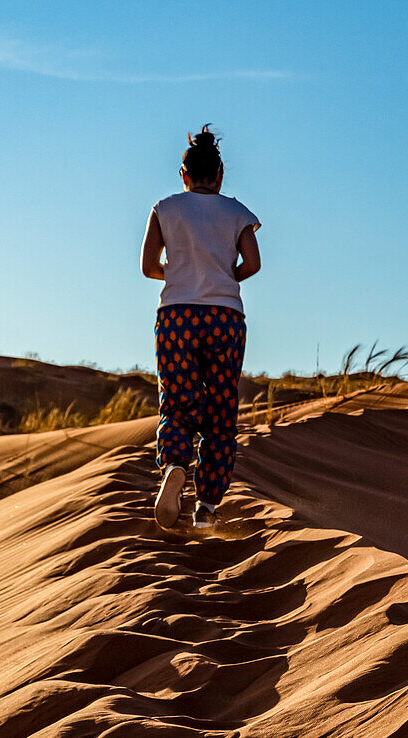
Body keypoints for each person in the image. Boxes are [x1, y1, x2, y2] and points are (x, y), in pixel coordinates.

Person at [140, 125, 261, 529]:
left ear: (184, 175)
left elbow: (147, 267)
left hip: (176, 315)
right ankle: (207, 505)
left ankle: (175, 462)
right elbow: (253, 264)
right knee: (221, 409)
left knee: (177, 401)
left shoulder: (165, 207)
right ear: (221, 175)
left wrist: (180, 277)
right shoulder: (238, 212)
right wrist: (222, 279)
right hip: (225, 317)